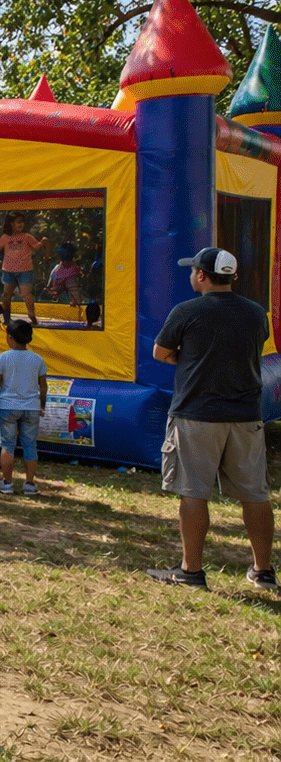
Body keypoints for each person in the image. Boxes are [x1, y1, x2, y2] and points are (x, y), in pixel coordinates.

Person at [144, 247, 274, 590]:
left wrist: (188, 361)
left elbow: (160, 352)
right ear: (233, 277)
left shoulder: (186, 311)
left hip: (196, 415)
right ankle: (263, 570)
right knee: (256, 494)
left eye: (192, 271)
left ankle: (191, 570)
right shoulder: (256, 313)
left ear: (201, 275)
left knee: (193, 492)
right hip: (246, 416)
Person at [0, 319, 46, 495]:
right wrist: (42, 405)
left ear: (9, 338)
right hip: (32, 406)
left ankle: (7, 483)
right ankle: (29, 484)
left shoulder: (3, 358)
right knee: (30, 445)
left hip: (8, 406)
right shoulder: (37, 359)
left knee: (7, 445)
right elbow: (43, 385)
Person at [0, 212, 49, 324]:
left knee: (26, 293)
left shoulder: (26, 236)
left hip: (24, 270)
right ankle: (6, 317)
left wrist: (42, 243)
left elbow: (36, 246)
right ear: (11, 224)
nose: (21, 224)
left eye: (22, 221)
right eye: (18, 222)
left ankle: (31, 313)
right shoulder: (5, 237)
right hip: (9, 271)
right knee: (6, 295)